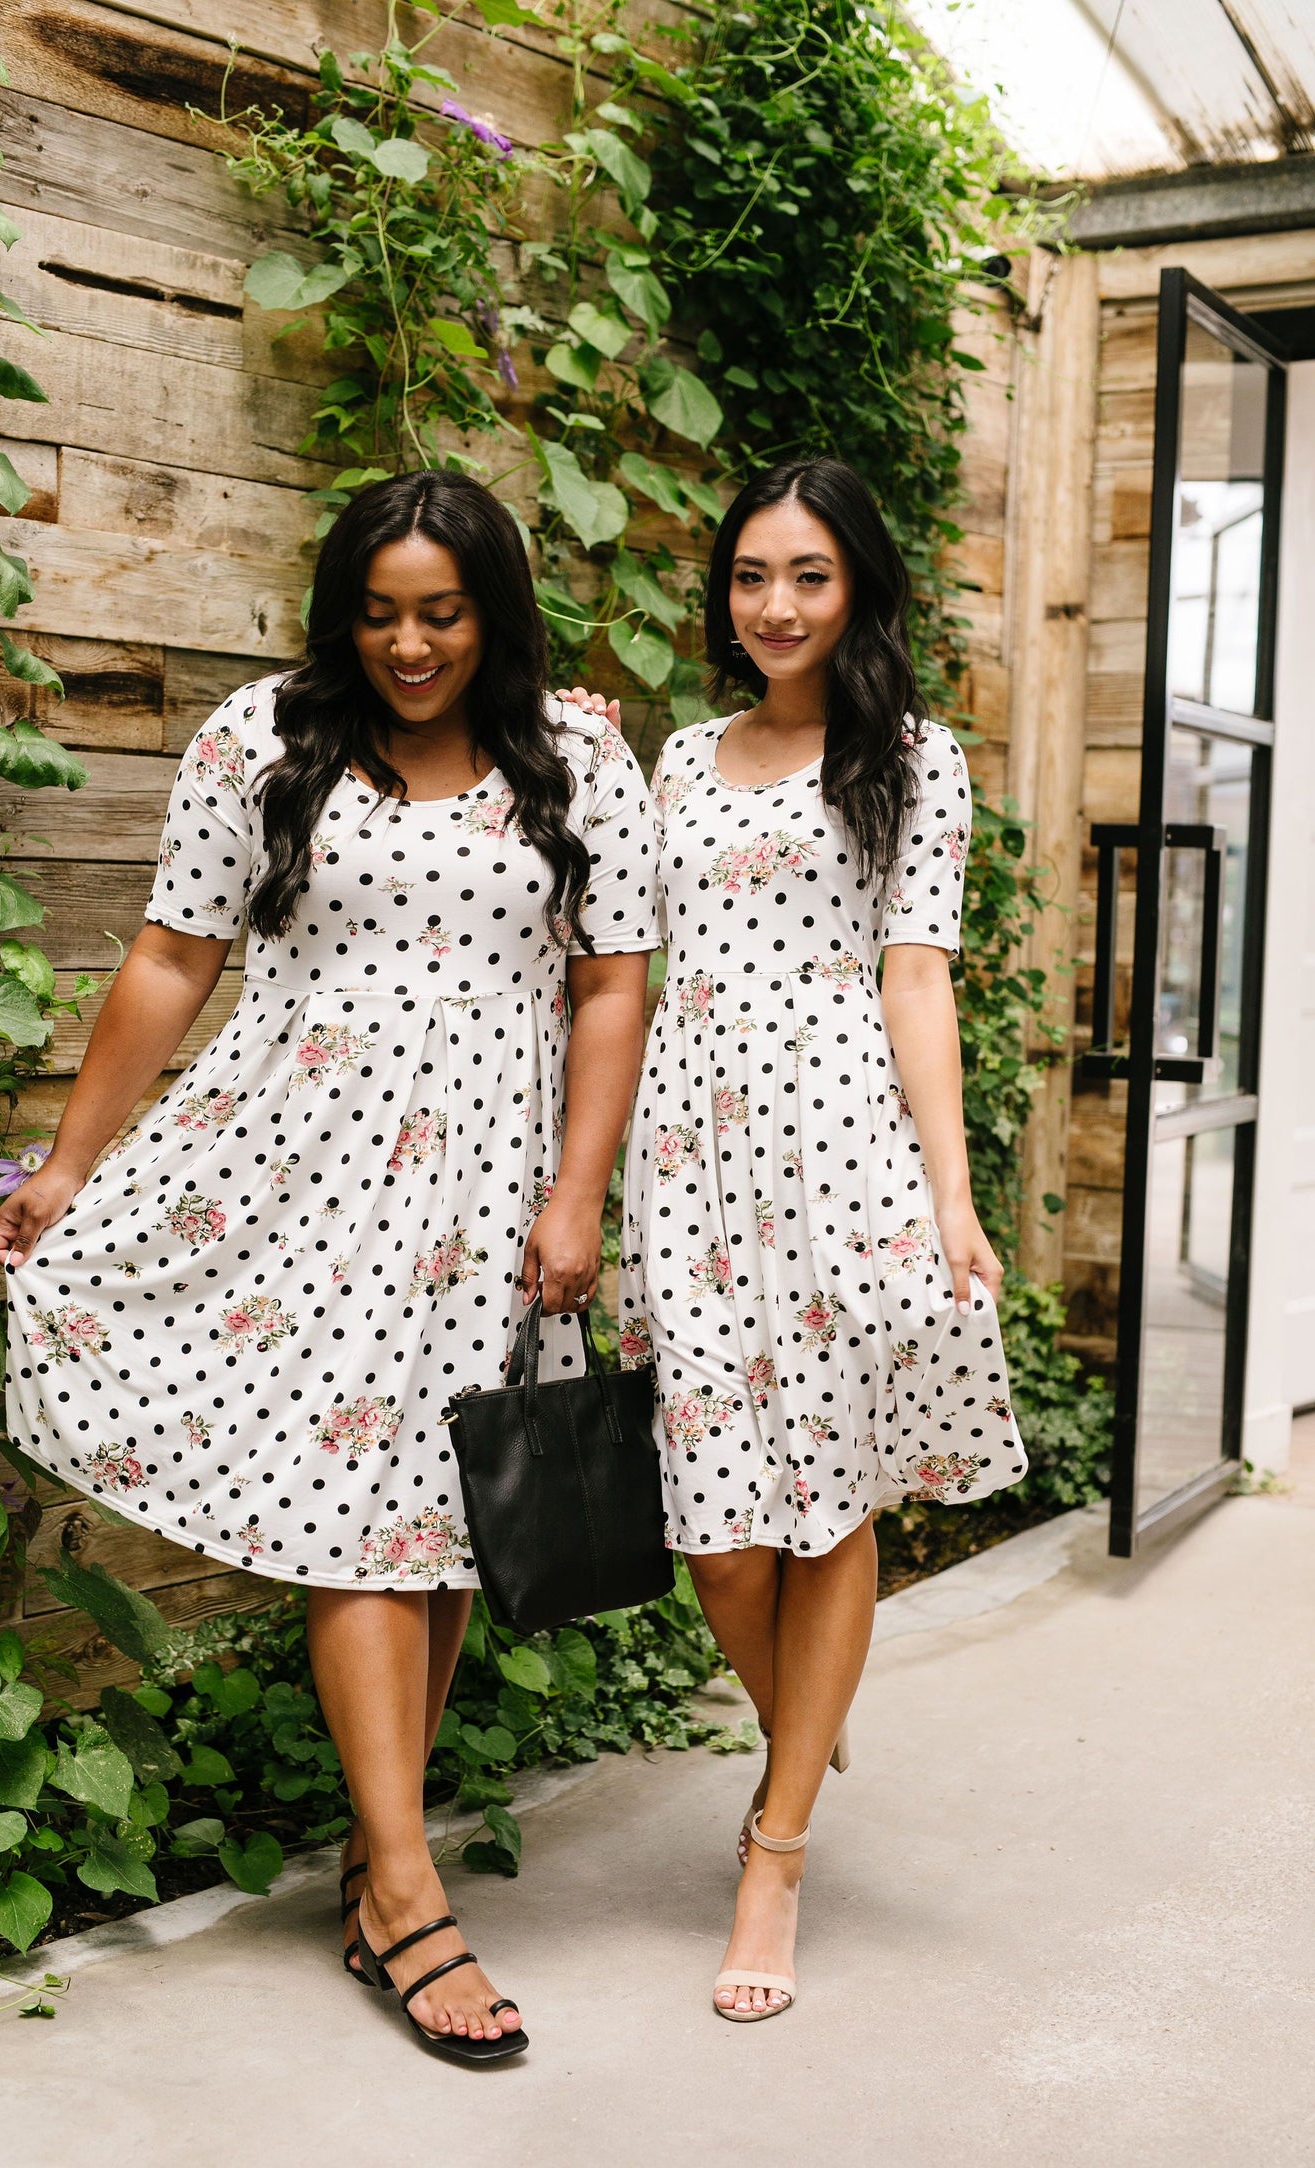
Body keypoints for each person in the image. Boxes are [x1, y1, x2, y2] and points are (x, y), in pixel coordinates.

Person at [0, 469, 659, 2064]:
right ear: (336, 612)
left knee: (438, 1531)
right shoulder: (259, 742)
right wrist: (73, 1160)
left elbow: (612, 984)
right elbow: (170, 953)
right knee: (366, 1521)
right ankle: (410, 1895)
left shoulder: (576, 760)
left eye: (440, 612)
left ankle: (376, 1860)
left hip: (491, 1191)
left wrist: (579, 1193)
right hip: (294, 1173)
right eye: (378, 613)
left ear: (489, 608)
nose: (410, 645)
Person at [614, 455, 1027, 2021]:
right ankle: (805, 1710)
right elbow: (625, 959)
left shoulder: (908, 758)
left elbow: (914, 977)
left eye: (805, 574)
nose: (773, 604)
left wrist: (951, 1193)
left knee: (822, 1509)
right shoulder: (674, 757)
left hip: (839, 1155)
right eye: (747, 575)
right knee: (718, 1543)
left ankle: (772, 1848)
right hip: (686, 1161)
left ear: (855, 586)